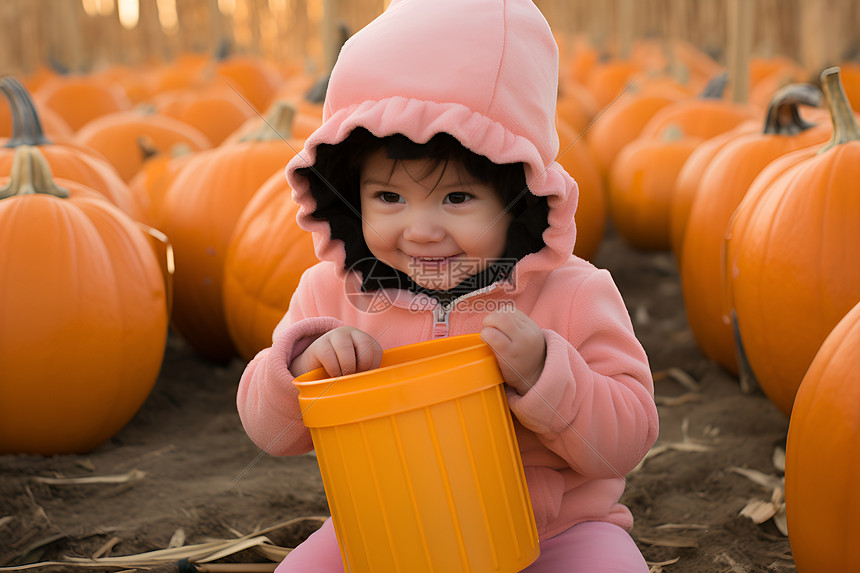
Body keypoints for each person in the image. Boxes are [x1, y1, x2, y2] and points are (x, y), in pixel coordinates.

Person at [236, 0, 659, 570]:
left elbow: (628, 438)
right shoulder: (329, 297)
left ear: (519, 197)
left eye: (457, 198)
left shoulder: (574, 294)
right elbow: (269, 432)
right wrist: (300, 369)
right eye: (388, 198)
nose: (421, 231)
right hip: (384, 530)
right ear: (350, 193)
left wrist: (546, 376)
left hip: (554, 536)